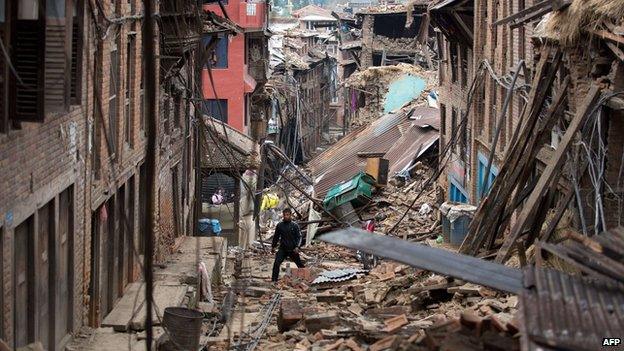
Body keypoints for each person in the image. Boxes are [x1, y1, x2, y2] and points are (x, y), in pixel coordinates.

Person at [271, 208, 305, 282]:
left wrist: (297, 247)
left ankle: (304, 279)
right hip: (283, 249)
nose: (286, 216)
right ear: (283, 215)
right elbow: (276, 237)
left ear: (290, 215)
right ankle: (274, 281)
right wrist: (273, 247)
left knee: (300, 265)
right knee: (276, 264)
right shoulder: (280, 225)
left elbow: (299, 237)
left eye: (287, 215)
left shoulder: (295, 225)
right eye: (284, 215)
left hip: (293, 249)